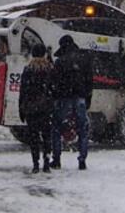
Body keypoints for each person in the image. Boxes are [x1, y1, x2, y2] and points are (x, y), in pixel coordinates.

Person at [51, 35, 93, 170]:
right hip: (80, 98)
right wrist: (87, 98)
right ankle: (82, 160)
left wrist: (55, 97)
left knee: (57, 128)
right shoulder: (84, 60)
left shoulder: (59, 62)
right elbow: (89, 81)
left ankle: (56, 159)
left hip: (63, 99)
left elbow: (55, 82)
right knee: (82, 130)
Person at [19, 44, 55, 173]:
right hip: (46, 108)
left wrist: (21, 109)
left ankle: (35, 164)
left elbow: (23, 91)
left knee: (33, 138)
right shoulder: (50, 69)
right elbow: (53, 89)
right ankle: (46, 162)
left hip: (31, 109)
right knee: (47, 137)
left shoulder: (28, 69)